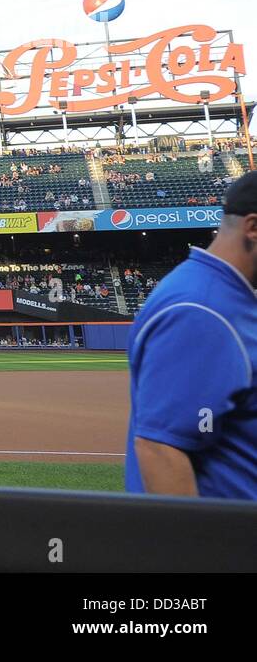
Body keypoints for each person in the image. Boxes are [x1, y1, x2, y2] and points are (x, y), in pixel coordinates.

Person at [125, 172, 257, 500]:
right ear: (252, 228)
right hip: (228, 543)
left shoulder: (225, 296)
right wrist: (197, 549)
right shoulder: (201, 308)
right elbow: (161, 449)